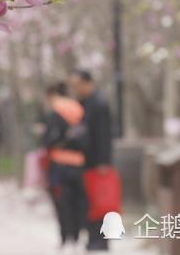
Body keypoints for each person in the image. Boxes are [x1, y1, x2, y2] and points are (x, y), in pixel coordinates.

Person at [68, 69, 113, 251]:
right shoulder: (85, 102)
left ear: (87, 82)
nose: (76, 89)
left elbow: (103, 134)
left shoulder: (99, 103)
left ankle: (100, 239)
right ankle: (93, 237)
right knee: (90, 202)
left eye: (78, 85)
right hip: (86, 161)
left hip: (98, 162)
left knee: (100, 201)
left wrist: (103, 161)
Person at [42, 82, 88, 254]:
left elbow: (49, 140)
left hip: (60, 163)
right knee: (77, 201)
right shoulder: (79, 109)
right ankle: (76, 236)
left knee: (62, 202)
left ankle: (65, 237)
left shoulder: (56, 113)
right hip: (78, 163)